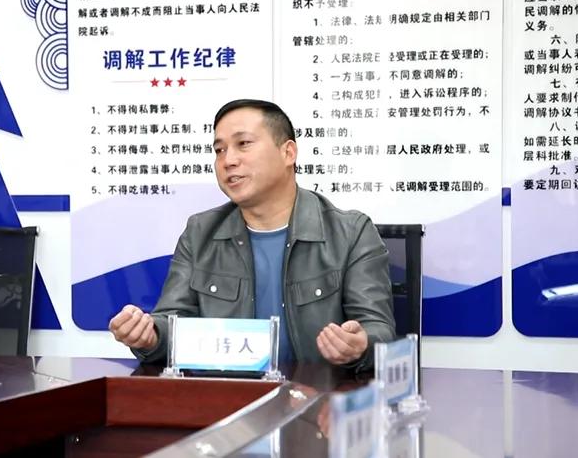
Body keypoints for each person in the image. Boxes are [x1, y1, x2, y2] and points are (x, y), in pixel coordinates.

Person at [108, 99, 395, 372]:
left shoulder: (351, 232)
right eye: (219, 150)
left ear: (288, 153)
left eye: (243, 144)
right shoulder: (200, 233)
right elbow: (173, 323)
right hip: (227, 395)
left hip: (318, 397)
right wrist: (150, 336)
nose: (228, 160)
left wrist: (359, 345)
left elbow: (378, 329)